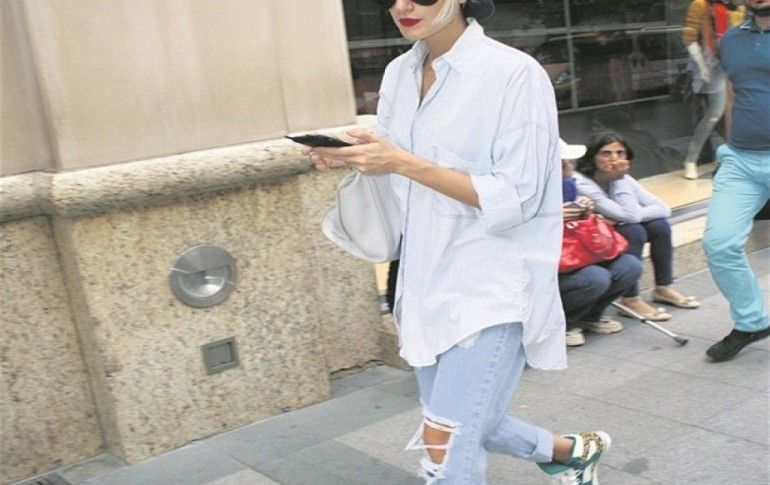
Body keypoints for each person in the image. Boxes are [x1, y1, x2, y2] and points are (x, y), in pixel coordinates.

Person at [305, 1, 610, 483]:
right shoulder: (399, 74)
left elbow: (520, 195)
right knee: (465, 420)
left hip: (490, 287)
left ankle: (569, 453)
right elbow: (403, 172)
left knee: (445, 450)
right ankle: (570, 452)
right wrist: (358, 155)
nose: (403, 5)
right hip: (423, 284)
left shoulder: (514, 74)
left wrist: (400, 161)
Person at [702, 1, 770, 362]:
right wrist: (728, 147)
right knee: (719, 243)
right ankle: (751, 321)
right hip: (742, 159)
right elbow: (732, 94)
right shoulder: (731, 40)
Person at [575, 132, 701, 322]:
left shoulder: (624, 179)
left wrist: (622, 214)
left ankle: (663, 288)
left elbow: (663, 208)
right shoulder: (583, 182)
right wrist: (619, 181)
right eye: (606, 153)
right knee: (634, 230)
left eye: (620, 153)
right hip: (589, 236)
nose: (614, 159)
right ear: (592, 157)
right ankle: (630, 298)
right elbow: (630, 216)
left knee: (659, 226)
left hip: (615, 226)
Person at [559, 139, 642, 347]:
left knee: (630, 266)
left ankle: (590, 316)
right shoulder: (527, 194)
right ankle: (564, 324)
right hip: (551, 266)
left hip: (578, 253)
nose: (569, 164)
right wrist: (550, 217)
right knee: (596, 278)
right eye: (562, 162)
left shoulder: (570, 184)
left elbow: (648, 212)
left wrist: (584, 210)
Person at [681, 0, 745, 179]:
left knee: (736, 112)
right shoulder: (700, 5)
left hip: (735, 63)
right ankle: (691, 159)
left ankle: (737, 154)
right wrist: (702, 67)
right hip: (711, 64)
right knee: (714, 114)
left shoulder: (739, 7)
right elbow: (689, 38)